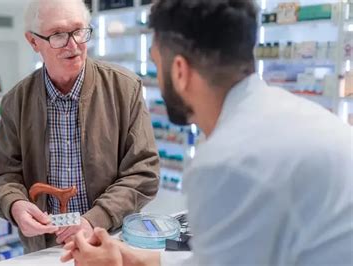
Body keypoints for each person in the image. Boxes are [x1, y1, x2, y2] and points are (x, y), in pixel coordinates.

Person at [61, 0, 353, 265]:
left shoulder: (227, 160)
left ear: (179, 71)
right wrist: (138, 261)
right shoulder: (287, 114)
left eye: (155, 64)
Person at [0, 0, 160, 253]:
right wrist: (14, 204)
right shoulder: (17, 101)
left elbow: (143, 173)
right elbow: (3, 176)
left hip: (108, 241)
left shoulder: (125, 89)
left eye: (79, 31)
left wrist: (94, 220)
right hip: (44, 249)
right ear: (34, 42)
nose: (74, 45)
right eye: (58, 35)